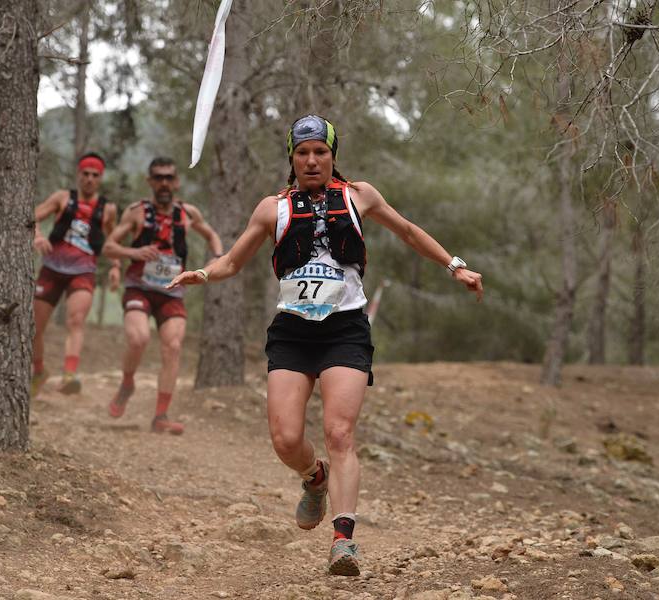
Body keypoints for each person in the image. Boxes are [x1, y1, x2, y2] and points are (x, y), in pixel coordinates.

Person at [168, 115, 483, 575]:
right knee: (285, 438)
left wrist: (455, 266)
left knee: (340, 433)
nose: (311, 160)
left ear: (333, 156)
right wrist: (203, 273)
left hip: (345, 329)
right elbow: (233, 261)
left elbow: (409, 231)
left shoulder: (360, 196)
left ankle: (344, 541)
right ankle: (313, 479)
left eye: (320, 152)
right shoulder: (271, 208)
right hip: (293, 332)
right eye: (303, 152)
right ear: (291, 159)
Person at [104, 157, 223, 435]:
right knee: (138, 338)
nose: (164, 183)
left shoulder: (187, 213)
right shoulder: (136, 213)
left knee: (173, 346)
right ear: (150, 182)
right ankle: (127, 383)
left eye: (169, 177)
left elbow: (212, 236)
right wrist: (133, 253)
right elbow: (109, 247)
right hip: (140, 288)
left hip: (172, 291)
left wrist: (216, 259)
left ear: (177, 181)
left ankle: (161, 416)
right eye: (158, 178)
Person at [31, 152, 120, 397]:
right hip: (51, 268)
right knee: (34, 327)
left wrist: (115, 266)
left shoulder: (107, 209)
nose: (90, 179)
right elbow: (32, 216)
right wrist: (37, 236)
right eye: (86, 174)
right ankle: (38, 371)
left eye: (95, 175)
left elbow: (113, 240)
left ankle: (70, 374)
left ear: (100, 178)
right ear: (78, 175)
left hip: (83, 271)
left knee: (76, 320)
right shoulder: (62, 198)